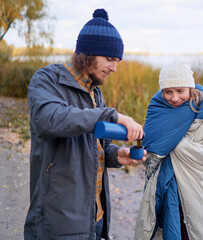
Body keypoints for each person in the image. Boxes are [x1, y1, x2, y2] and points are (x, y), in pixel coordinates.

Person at [24, 8, 146, 240]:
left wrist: (117, 154)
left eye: (117, 61)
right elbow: (49, 120)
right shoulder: (47, 80)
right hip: (60, 221)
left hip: (96, 217)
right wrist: (111, 115)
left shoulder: (95, 93)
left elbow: (97, 146)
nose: (114, 68)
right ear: (88, 53)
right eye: (110, 59)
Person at [134, 62, 203, 240]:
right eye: (168, 92)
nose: (174, 98)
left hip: (195, 189)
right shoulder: (158, 108)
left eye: (180, 91)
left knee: (190, 233)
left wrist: (176, 143)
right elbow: (152, 147)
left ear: (190, 88)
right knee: (159, 229)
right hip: (161, 185)